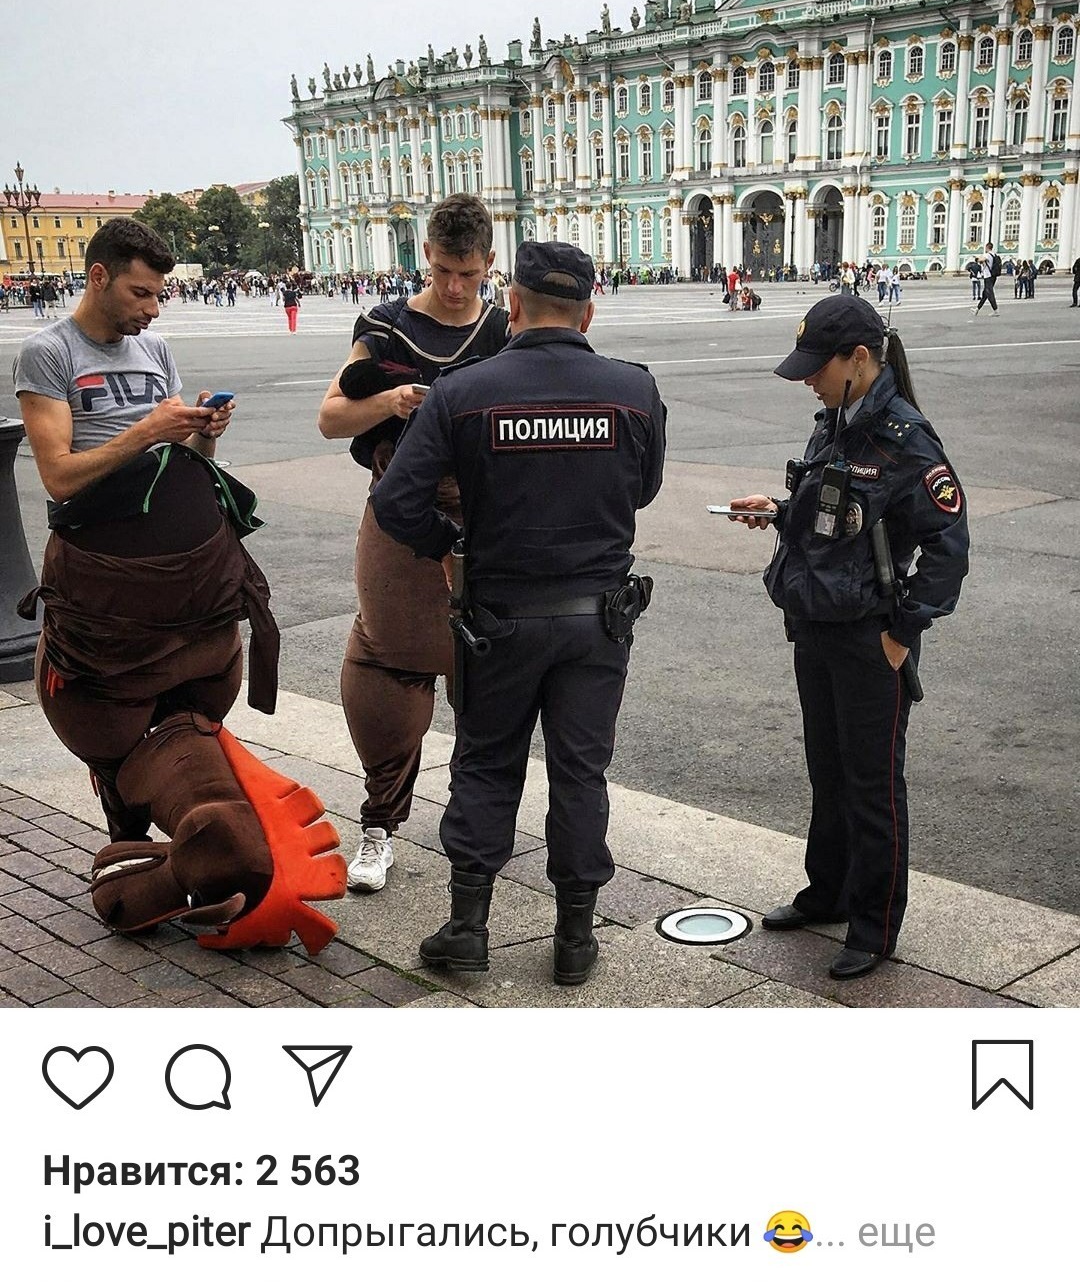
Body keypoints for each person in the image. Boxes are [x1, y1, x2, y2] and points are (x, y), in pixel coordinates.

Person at [370, 240, 666, 985]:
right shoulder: (632, 390)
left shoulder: (465, 391)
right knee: (580, 771)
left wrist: (453, 542)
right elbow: (644, 489)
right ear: (589, 311)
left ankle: (468, 928)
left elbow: (397, 501)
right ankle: (573, 941)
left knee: (485, 763)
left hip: (497, 616)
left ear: (512, 305)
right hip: (597, 618)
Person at [13, 217, 278, 846]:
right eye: (141, 294)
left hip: (189, 579)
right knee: (111, 708)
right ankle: (128, 833)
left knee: (189, 701)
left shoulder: (156, 352)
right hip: (107, 579)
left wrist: (202, 432)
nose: (154, 309)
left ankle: (185, 826)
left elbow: (185, 460)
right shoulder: (48, 354)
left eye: (160, 294)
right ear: (99, 277)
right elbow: (59, 476)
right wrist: (149, 430)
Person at [727, 294, 969, 979]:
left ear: (858, 360)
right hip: (817, 627)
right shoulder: (837, 421)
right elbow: (832, 518)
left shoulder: (904, 437)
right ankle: (826, 893)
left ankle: (873, 925)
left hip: (870, 639)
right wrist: (776, 512)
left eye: (816, 366)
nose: (807, 378)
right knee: (827, 774)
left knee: (872, 787)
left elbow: (950, 550)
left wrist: (901, 633)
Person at [318, 196, 509, 895]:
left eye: (467, 273)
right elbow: (331, 416)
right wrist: (391, 405)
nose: (453, 286)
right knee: (384, 662)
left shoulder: (504, 329)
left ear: (489, 263)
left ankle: (477, 820)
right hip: (398, 513)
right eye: (440, 270)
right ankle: (378, 826)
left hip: (487, 519)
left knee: (489, 672)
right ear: (423, 256)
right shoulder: (385, 325)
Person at [973, 243, 1001, 315]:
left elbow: (982, 259)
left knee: (989, 293)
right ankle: (977, 309)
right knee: (985, 294)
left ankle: (996, 310)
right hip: (993, 276)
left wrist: (977, 259)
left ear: (987, 247)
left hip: (988, 276)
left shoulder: (987, 255)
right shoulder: (994, 254)